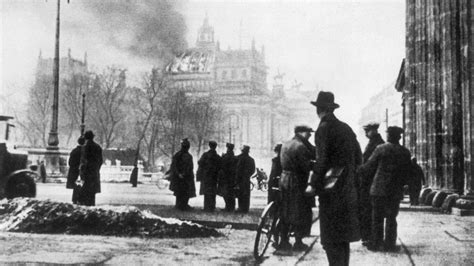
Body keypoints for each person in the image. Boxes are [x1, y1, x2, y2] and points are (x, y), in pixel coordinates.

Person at [305, 91, 362, 266]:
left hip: (331, 192)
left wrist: (312, 184)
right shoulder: (346, 128)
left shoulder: (323, 128)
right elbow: (359, 157)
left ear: (318, 110)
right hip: (348, 189)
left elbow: (322, 161)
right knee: (343, 238)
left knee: (330, 239)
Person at [358, 126, 411, 252]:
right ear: (399, 137)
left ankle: (376, 243)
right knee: (392, 217)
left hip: (378, 189)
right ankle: (390, 244)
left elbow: (369, 166)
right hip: (395, 190)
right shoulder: (405, 152)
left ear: (389, 136)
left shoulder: (381, 149)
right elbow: (407, 172)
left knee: (377, 217)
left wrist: (358, 169)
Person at [278, 125, 315, 251]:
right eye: (308, 133)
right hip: (296, 181)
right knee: (299, 211)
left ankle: (283, 240)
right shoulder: (301, 146)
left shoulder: (285, 144)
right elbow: (304, 167)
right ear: (301, 133)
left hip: (284, 179)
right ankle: (298, 242)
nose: (310, 135)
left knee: (284, 210)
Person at [359, 123, 385, 246]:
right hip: (370, 181)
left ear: (374, 131)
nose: (366, 133)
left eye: (367, 131)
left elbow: (370, 165)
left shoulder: (377, 144)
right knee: (369, 211)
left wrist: (359, 169)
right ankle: (369, 237)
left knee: (369, 211)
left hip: (371, 182)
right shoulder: (376, 142)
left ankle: (370, 238)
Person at [169, 138, 196, 211]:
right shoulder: (188, 156)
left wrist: (178, 174)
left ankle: (179, 205)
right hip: (186, 177)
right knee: (185, 192)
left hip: (179, 177)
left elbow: (174, 166)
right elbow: (190, 167)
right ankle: (183, 205)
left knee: (179, 191)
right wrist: (183, 174)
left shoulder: (177, 155)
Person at [80, 130, 103, 206]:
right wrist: (96, 168)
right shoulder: (98, 147)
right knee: (92, 191)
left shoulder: (85, 147)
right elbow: (100, 161)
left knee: (86, 189)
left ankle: (86, 205)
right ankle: (92, 204)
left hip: (87, 171)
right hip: (94, 171)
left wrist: (82, 172)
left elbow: (83, 161)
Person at [197, 141, 221, 212]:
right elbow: (220, 166)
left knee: (206, 192)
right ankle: (212, 207)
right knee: (213, 192)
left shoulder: (205, 155)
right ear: (215, 146)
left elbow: (199, 162)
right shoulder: (217, 156)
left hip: (206, 176)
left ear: (209, 146)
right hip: (214, 177)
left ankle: (206, 207)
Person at [235, 145, 256, 213]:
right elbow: (253, 170)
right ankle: (245, 208)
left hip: (240, 178)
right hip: (246, 179)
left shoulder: (239, 158)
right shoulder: (251, 159)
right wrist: (248, 175)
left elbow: (237, 169)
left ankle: (240, 208)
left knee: (240, 193)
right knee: (246, 193)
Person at [219, 143, 238, 212]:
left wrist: (222, 157)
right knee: (231, 192)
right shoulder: (235, 157)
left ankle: (228, 207)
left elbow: (222, 165)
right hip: (232, 177)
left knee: (226, 193)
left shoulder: (226, 157)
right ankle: (231, 207)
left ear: (228, 148)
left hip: (226, 177)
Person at [66, 136, 85, 204]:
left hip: (74, 172)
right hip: (82, 171)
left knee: (76, 187)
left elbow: (70, 162)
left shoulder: (74, 151)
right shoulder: (84, 151)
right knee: (82, 186)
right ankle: (80, 199)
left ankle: (74, 199)